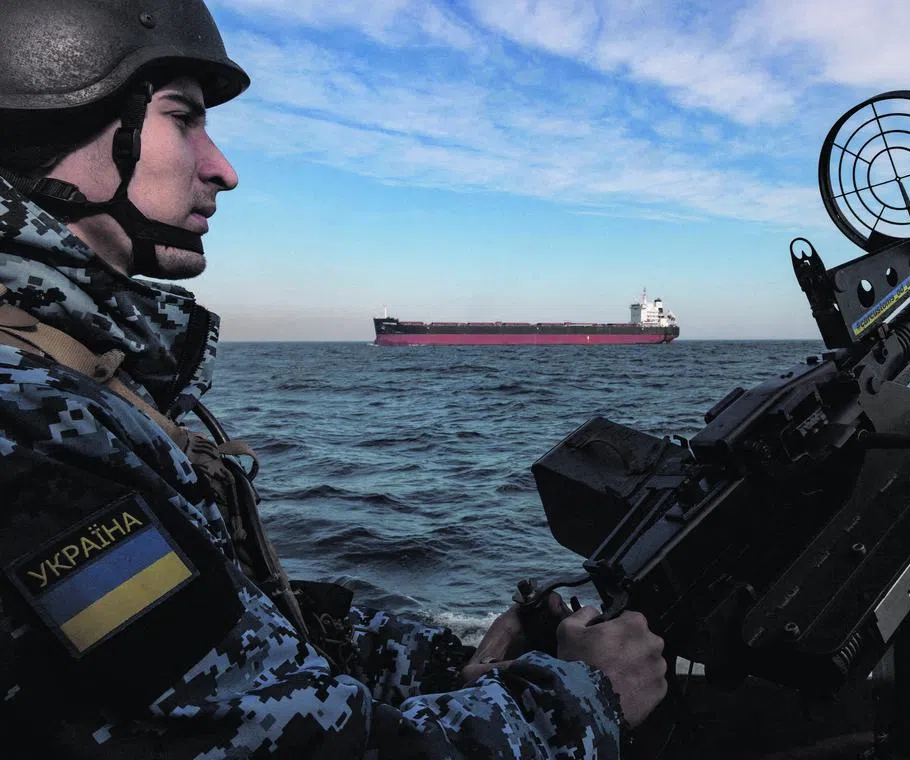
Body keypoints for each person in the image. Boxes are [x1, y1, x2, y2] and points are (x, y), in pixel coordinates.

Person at [0, 1, 668, 757]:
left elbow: (237, 637)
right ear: (52, 123)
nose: (223, 168)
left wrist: (452, 661)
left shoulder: (96, 378)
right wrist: (589, 695)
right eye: (182, 117)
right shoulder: (30, 429)